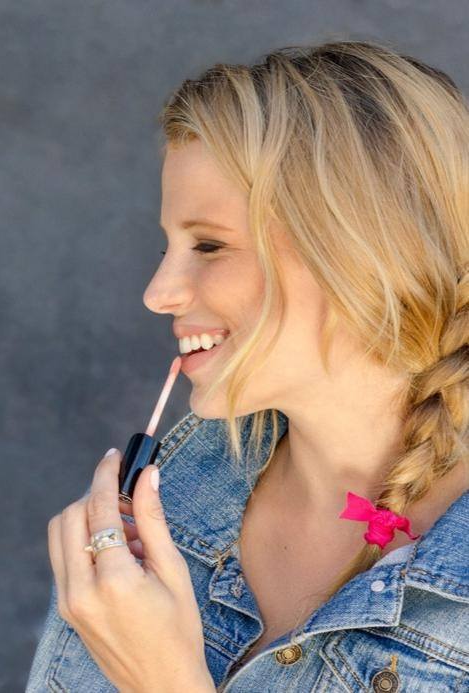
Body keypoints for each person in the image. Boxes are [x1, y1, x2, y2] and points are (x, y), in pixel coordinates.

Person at [27, 39, 468, 691]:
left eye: (209, 245)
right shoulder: (163, 508)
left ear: (361, 253)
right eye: (167, 248)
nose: (157, 293)